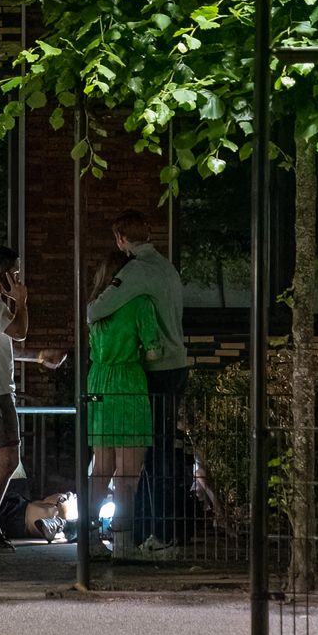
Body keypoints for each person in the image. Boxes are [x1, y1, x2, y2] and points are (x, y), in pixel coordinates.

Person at [87, 209, 188, 557]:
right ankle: (142, 536)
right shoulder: (167, 268)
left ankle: (110, 536)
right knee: (147, 460)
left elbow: (95, 311)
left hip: (113, 380)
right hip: (161, 371)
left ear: (121, 238)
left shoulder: (135, 273)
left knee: (106, 466)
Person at [0, 246, 66, 551]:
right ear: (2, 272)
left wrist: (37, 358)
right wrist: (22, 302)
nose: (19, 277)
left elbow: (4, 347)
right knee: (8, 459)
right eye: (15, 271)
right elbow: (19, 331)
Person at [86, 249, 161, 559]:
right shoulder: (140, 304)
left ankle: (89, 537)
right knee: (128, 473)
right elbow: (154, 351)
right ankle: (124, 542)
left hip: (98, 380)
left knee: (102, 468)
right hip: (128, 383)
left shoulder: (94, 308)